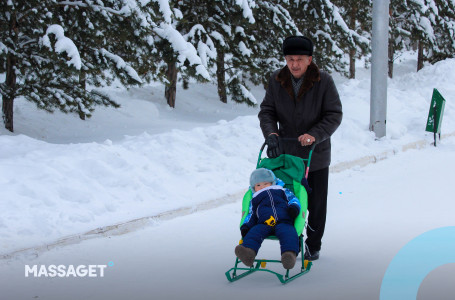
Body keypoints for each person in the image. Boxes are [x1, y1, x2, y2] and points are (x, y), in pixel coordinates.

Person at [258, 36, 342, 261]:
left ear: (309, 60)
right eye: (290, 59)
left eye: (299, 59)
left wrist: (315, 134)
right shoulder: (277, 80)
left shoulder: (323, 81)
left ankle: (313, 245)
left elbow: (334, 114)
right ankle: (291, 243)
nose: (294, 64)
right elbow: (267, 111)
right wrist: (272, 134)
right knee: (287, 201)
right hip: (286, 155)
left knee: (315, 204)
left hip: (315, 156)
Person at [234, 168, 301, 270]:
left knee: (288, 234)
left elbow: (293, 199)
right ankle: (248, 252)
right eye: (258, 185)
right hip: (264, 223)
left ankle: (289, 255)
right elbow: (251, 214)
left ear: (272, 183)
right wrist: (246, 226)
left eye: (265, 183)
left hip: (284, 221)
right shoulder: (255, 199)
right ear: (253, 188)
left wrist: (294, 208)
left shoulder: (282, 191)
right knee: (254, 233)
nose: (262, 187)